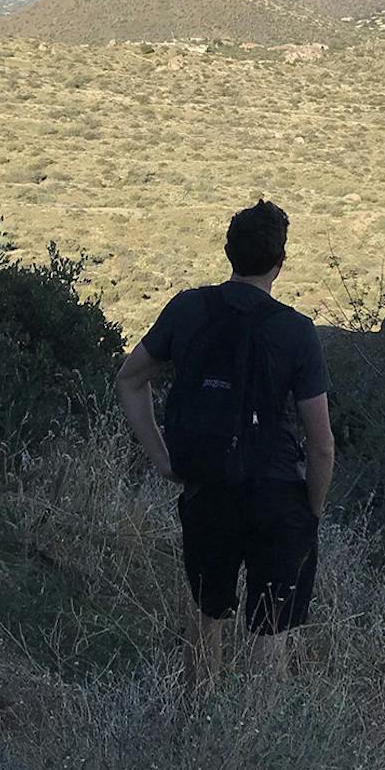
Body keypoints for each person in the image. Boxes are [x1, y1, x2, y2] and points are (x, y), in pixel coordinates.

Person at [116, 200, 336, 683]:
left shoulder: (189, 308)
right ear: (281, 262)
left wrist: (161, 456)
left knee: (203, 613)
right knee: (270, 633)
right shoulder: (297, 333)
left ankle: (198, 722)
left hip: (207, 485)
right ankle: (255, 743)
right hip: (278, 495)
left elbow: (130, 379)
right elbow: (321, 445)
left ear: (227, 251)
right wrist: (312, 510)